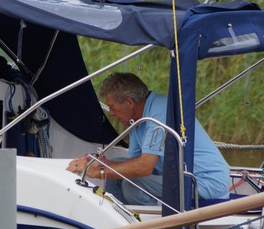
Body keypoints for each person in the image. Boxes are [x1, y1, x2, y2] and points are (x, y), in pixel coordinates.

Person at [66, 72, 230, 205]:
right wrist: (99, 163)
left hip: (207, 182)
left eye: (113, 107)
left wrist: (98, 172)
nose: (112, 113)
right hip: (181, 176)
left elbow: (144, 167)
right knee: (116, 170)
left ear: (129, 102)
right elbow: (133, 163)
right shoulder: (137, 119)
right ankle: (117, 219)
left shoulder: (159, 113)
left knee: (132, 186)